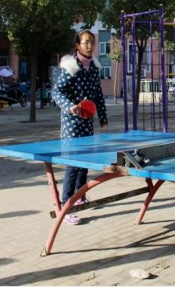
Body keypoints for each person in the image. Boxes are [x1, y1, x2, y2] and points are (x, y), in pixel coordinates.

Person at [52, 30, 108, 225]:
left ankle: (80, 196)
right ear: (78, 45)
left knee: (85, 160)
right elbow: (56, 91)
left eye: (92, 42)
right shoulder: (71, 67)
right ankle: (65, 205)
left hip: (87, 121)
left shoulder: (93, 68)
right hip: (71, 123)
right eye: (86, 42)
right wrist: (70, 106)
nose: (90, 46)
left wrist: (103, 118)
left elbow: (98, 94)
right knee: (74, 163)